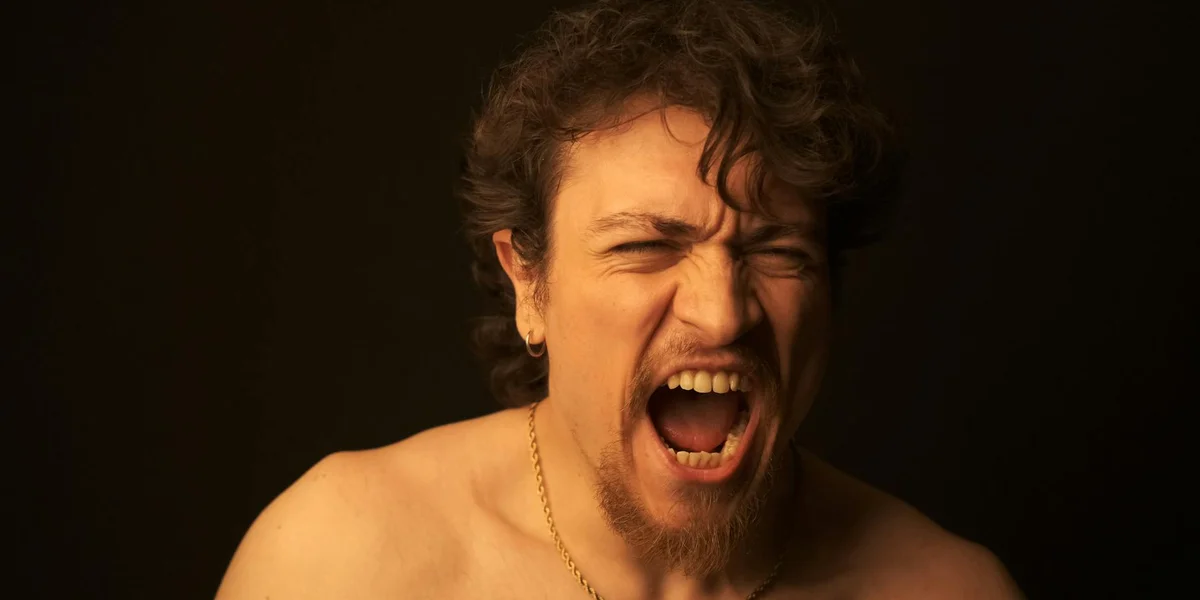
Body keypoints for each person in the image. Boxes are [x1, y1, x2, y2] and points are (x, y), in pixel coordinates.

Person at [217, 0, 1024, 597]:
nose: (723, 313)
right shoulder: (340, 564)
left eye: (777, 252)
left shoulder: (949, 590)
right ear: (527, 282)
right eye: (645, 247)